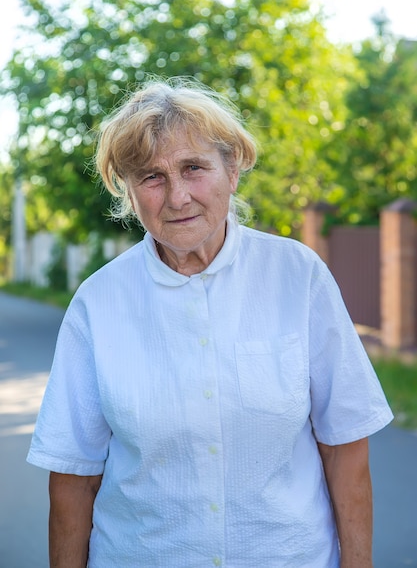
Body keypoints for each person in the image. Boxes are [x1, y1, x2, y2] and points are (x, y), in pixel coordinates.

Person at [27, 77, 393, 568]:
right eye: (151, 178)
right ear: (130, 195)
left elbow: (345, 444)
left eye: (193, 168)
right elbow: (74, 475)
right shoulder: (98, 303)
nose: (177, 197)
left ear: (233, 170)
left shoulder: (297, 276)